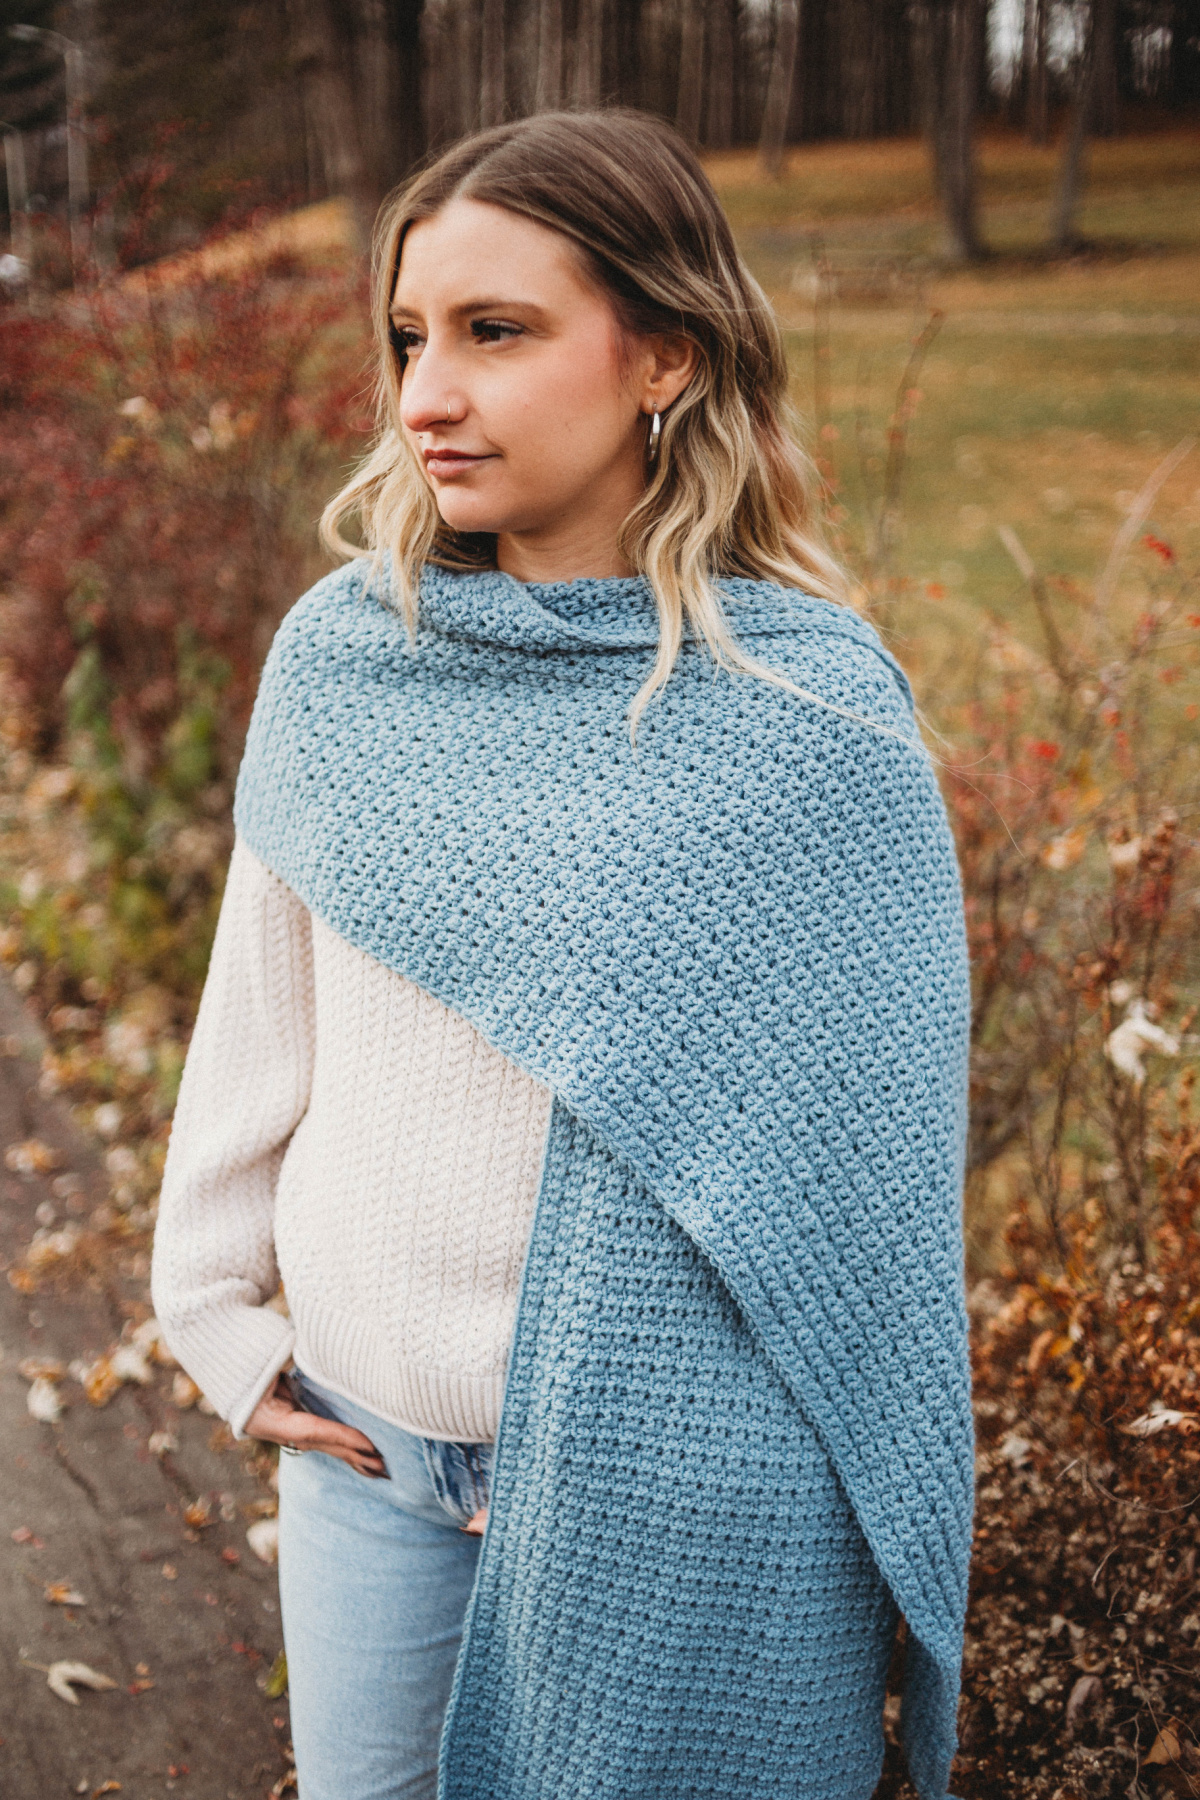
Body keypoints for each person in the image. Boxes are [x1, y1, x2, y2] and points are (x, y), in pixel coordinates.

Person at [151, 109, 973, 1800]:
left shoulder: (810, 720)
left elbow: (873, 1188)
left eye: (494, 334)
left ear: (663, 353)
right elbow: (258, 1024)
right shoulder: (346, 663)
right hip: (369, 1464)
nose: (424, 395)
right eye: (407, 338)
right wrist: (218, 1324)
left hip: (675, 1488)